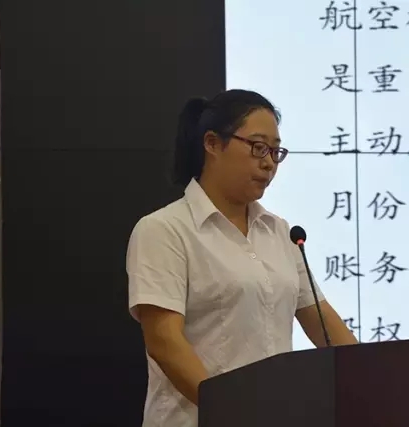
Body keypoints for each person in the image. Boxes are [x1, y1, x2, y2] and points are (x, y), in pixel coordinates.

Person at [126, 89, 357, 427]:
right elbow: (164, 342)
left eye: (275, 152)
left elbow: (324, 325)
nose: (269, 163)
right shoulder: (164, 230)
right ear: (212, 143)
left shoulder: (280, 232)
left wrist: (370, 380)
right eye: (258, 147)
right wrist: (233, 410)